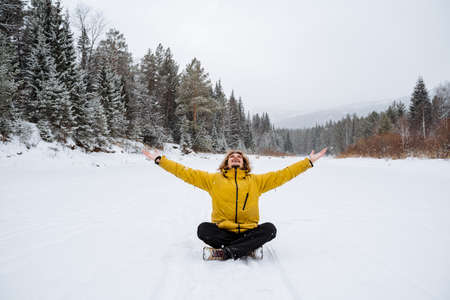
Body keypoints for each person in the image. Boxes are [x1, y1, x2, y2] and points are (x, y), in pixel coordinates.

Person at [142, 147, 327, 260]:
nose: (236, 157)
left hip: (249, 231)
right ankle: (245, 249)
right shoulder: (213, 180)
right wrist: (161, 161)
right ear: (227, 163)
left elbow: (283, 174)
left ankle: (226, 253)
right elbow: (185, 172)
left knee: (270, 229)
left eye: (239, 157)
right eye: (232, 157)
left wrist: (307, 162)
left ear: (244, 163)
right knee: (203, 229)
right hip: (224, 232)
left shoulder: (256, 181)